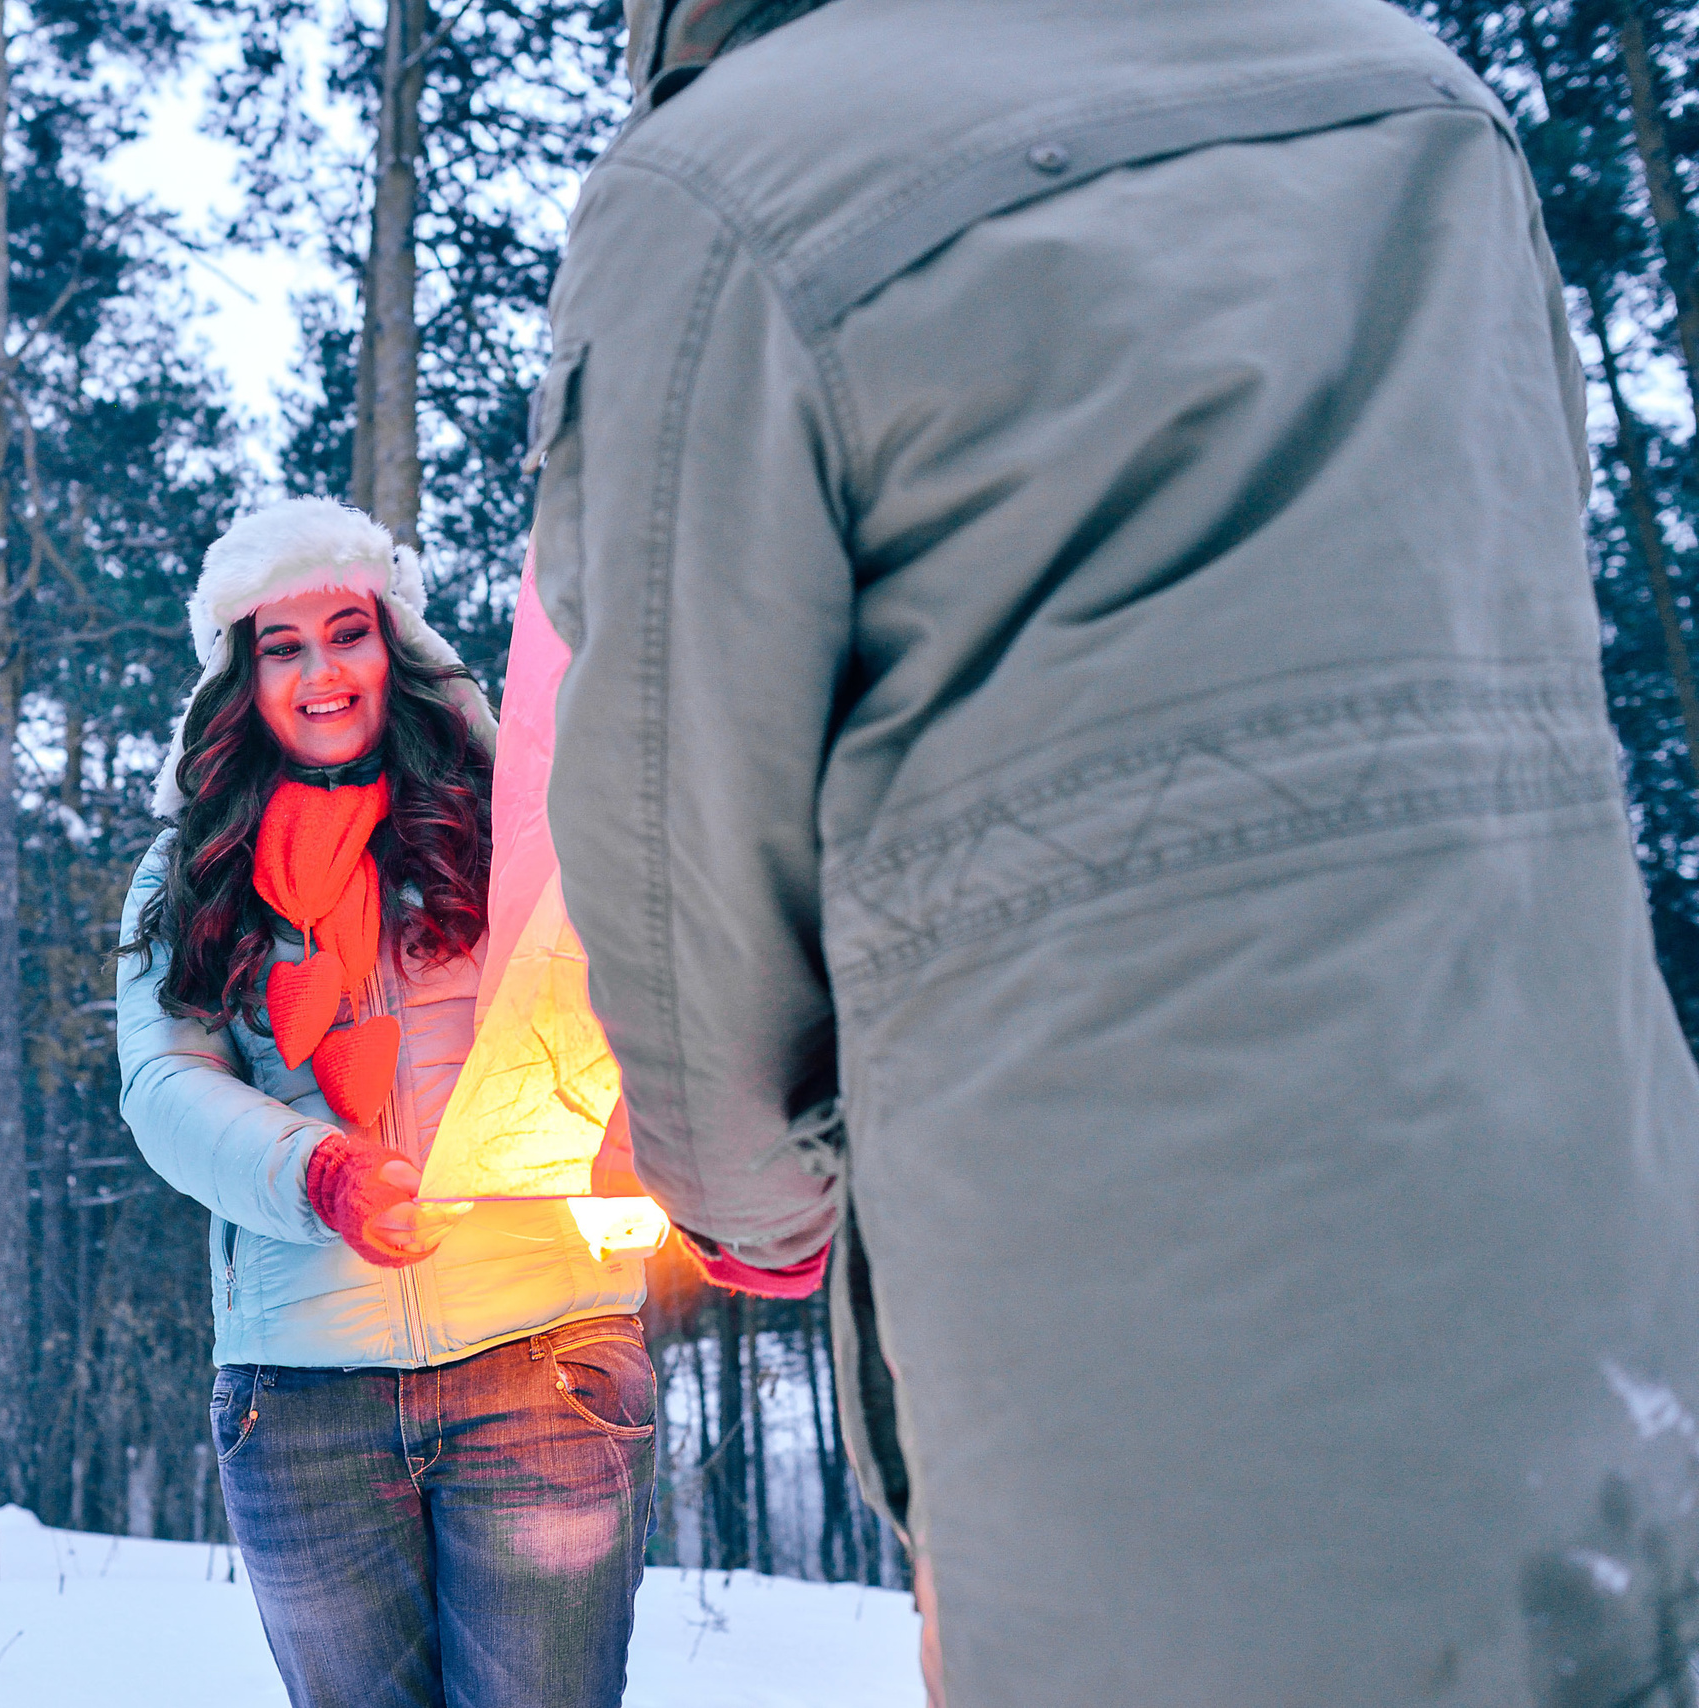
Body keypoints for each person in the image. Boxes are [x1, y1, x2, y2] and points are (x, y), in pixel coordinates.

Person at [529, 0, 1699, 1703]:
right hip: (1605, 1297)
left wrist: (748, 1199)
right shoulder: (1412, 89)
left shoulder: (725, 187)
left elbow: (675, 845)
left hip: (1142, 1372)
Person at [115, 497, 657, 1708]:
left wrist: (638, 1128)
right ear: (239, 676)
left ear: (394, 642)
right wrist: (320, 1174)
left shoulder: (513, 816)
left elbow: (625, 998)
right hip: (300, 1398)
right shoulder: (188, 866)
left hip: (542, 1363)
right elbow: (163, 1084)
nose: (320, 672)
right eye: (282, 645)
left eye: (344, 632)